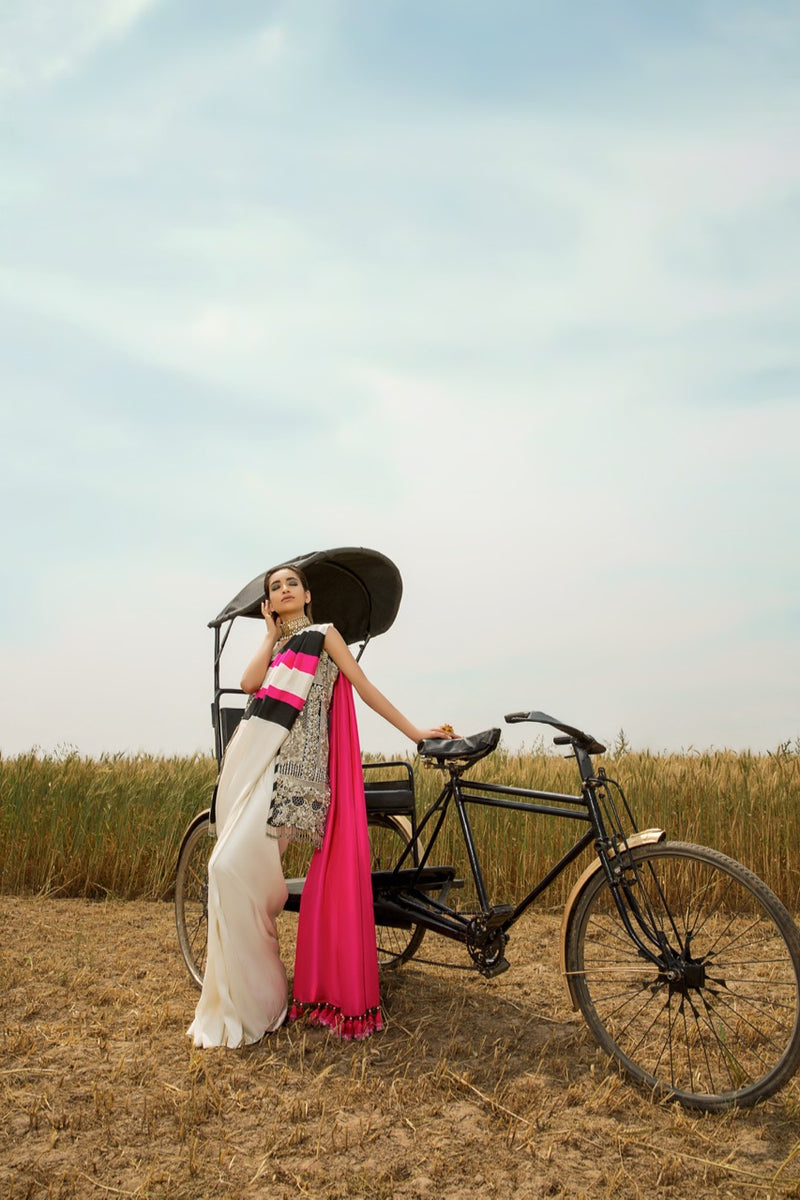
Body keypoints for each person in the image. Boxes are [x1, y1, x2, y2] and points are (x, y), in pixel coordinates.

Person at [187, 563, 448, 1048]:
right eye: (274, 587)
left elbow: (365, 689)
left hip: (298, 777)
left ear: (308, 595)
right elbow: (248, 685)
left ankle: (263, 995)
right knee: (223, 868)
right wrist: (268, 636)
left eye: (291, 584)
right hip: (256, 764)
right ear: (270, 602)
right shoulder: (281, 647)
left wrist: (415, 733)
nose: (283, 590)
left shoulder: (325, 636)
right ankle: (259, 997)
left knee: (229, 869)